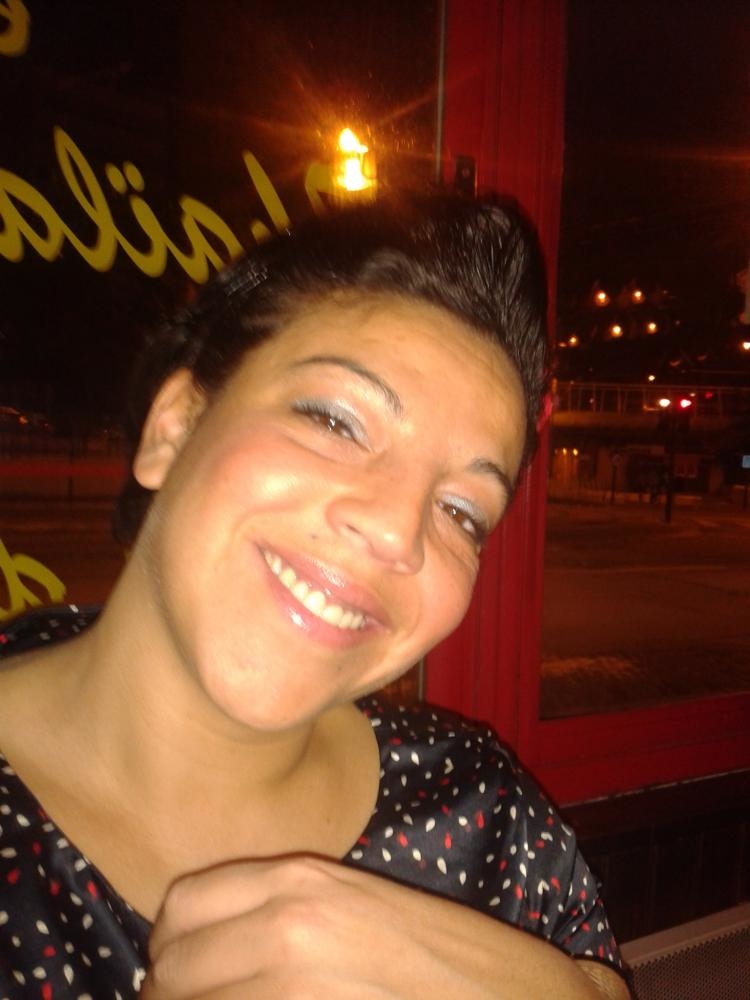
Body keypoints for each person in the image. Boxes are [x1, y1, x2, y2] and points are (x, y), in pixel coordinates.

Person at [0, 195, 631, 999]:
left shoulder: (479, 805)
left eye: (461, 511)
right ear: (174, 427)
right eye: (336, 422)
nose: (397, 531)